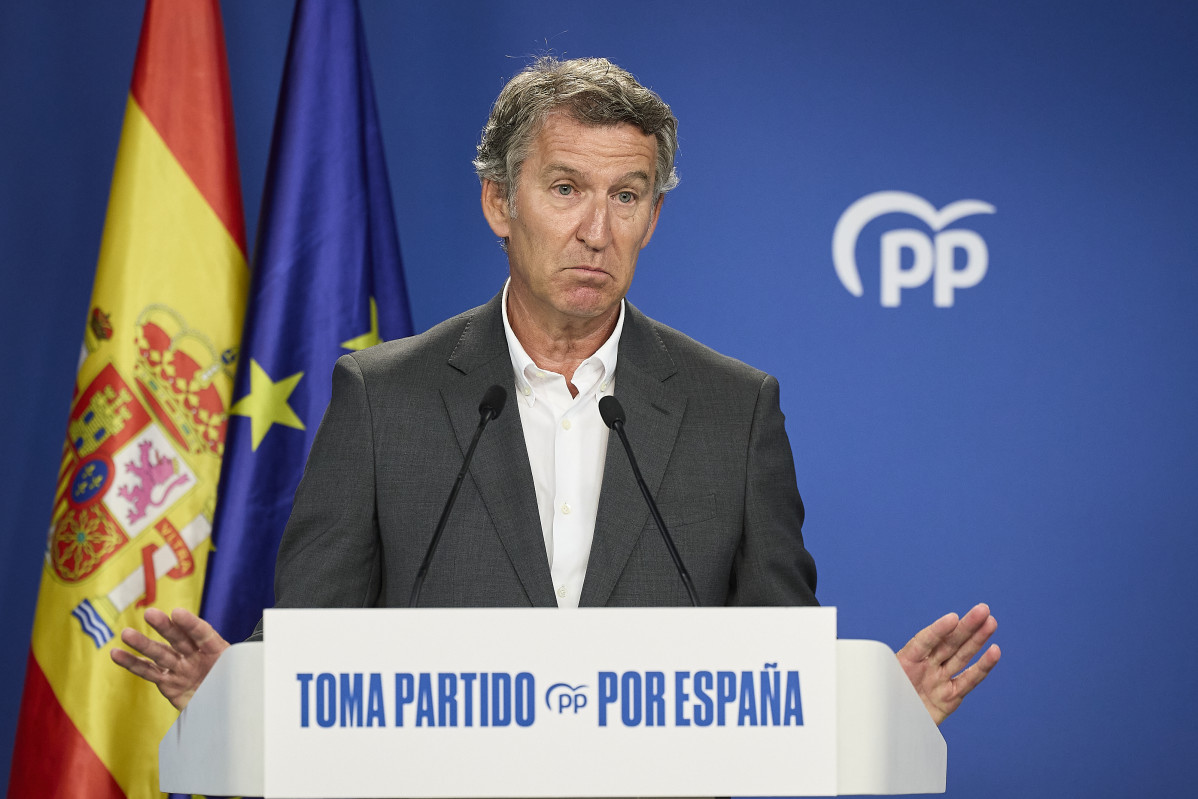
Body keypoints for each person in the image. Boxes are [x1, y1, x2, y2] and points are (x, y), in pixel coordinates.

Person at [112, 57, 999, 726]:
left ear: (653, 216)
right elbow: (314, 651)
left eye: (627, 195)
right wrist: (239, 696)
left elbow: (776, 669)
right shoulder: (384, 400)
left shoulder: (736, 410)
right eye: (566, 188)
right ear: (501, 203)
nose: (595, 230)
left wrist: (876, 716)